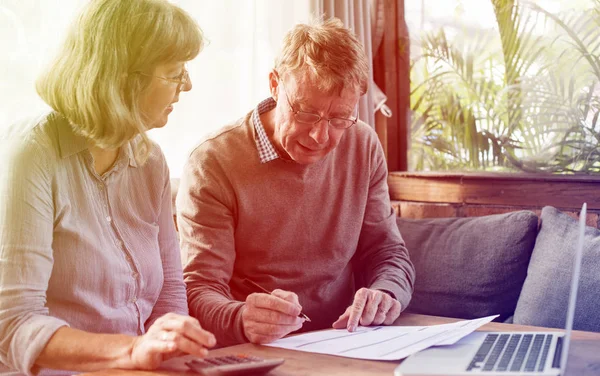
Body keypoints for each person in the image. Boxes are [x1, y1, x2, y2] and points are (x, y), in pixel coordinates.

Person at [0, 1, 216, 374]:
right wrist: (132, 350)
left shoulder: (150, 161)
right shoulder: (31, 154)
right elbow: (14, 323)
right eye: (174, 73)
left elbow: (169, 295)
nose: (188, 85)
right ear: (124, 79)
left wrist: (171, 343)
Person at [178, 18, 415, 346]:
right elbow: (199, 289)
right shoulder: (213, 162)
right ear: (275, 84)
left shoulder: (363, 144)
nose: (321, 136)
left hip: (348, 342)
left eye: (339, 118)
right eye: (305, 112)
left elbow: (387, 252)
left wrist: (386, 293)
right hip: (255, 349)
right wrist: (241, 319)